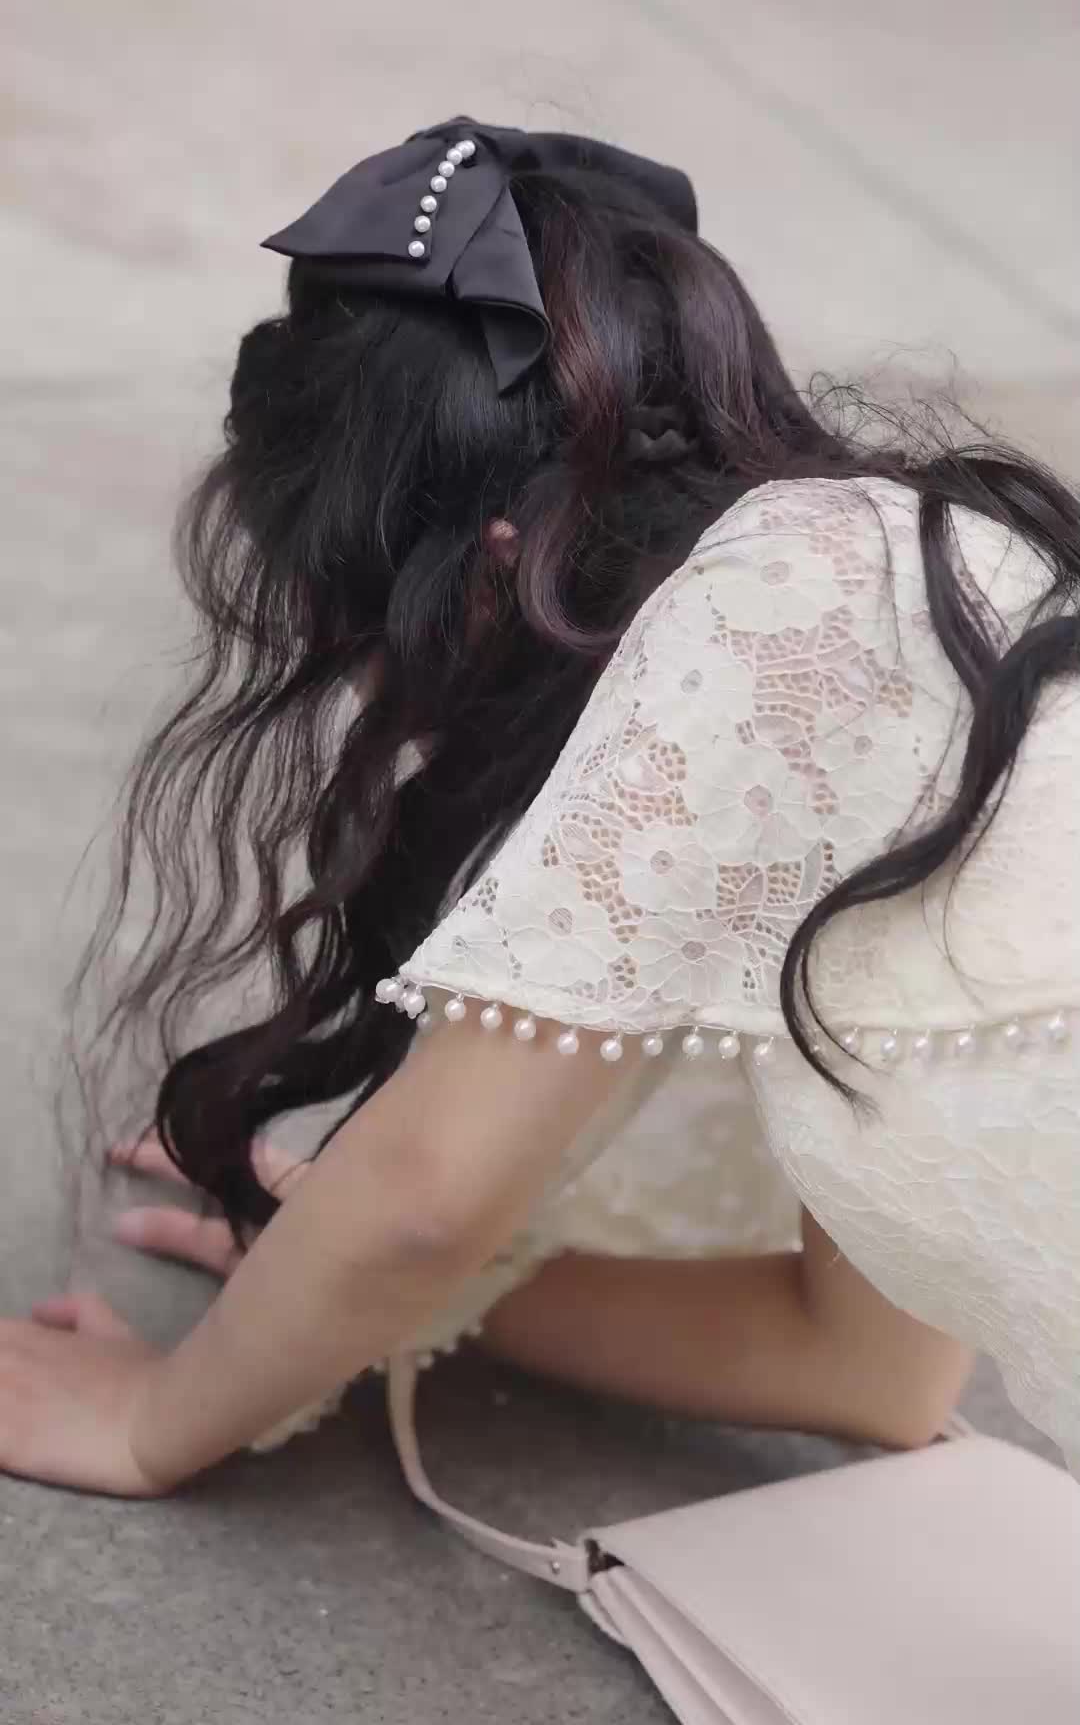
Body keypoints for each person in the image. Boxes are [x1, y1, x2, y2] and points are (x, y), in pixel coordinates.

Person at [1, 117, 1077, 1498]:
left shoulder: (759, 628)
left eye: (364, 631)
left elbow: (424, 1204)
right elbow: (864, 1369)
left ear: (490, 572)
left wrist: (157, 1416)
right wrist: (312, 1280)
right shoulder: (911, 594)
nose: (382, 693)